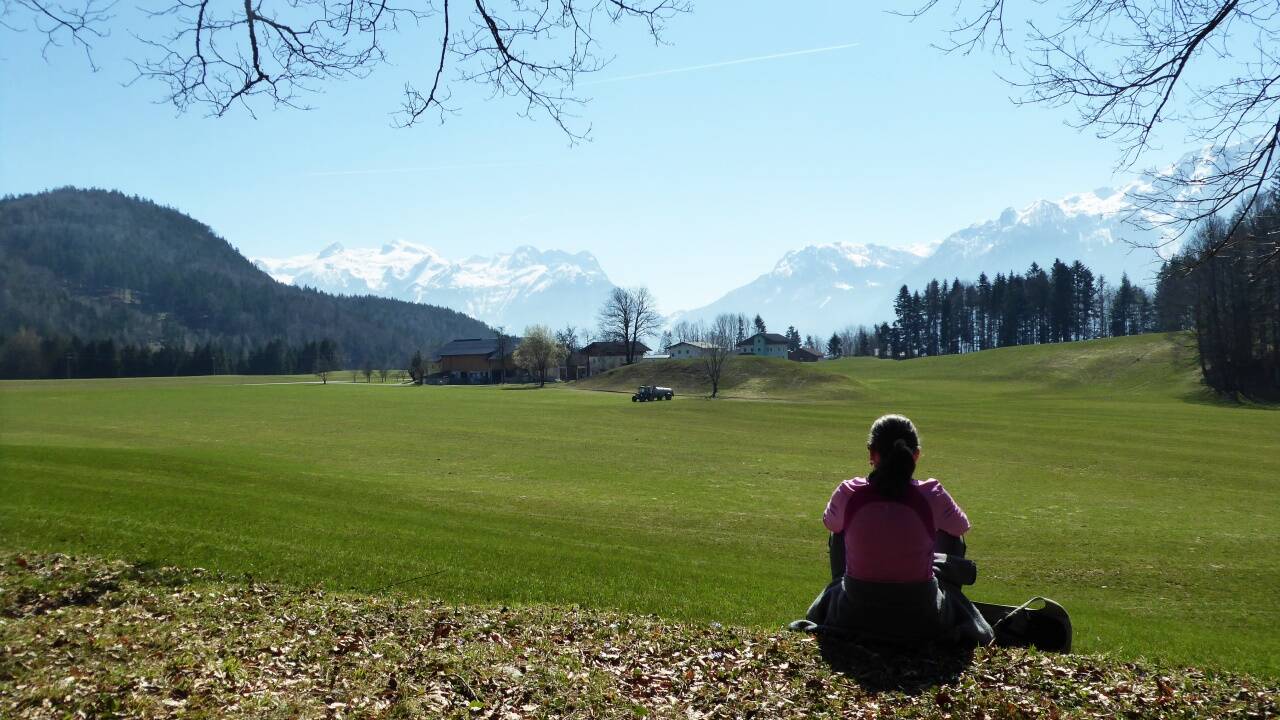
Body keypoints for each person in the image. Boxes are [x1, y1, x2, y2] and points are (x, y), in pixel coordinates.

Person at [805, 414, 994, 648]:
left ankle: (846, 595)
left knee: (840, 530)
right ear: (916, 455)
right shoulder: (931, 493)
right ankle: (943, 604)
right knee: (952, 535)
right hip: (921, 617)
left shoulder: (849, 492)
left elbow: (830, 524)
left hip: (853, 612)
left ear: (872, 454)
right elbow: (961, 527)